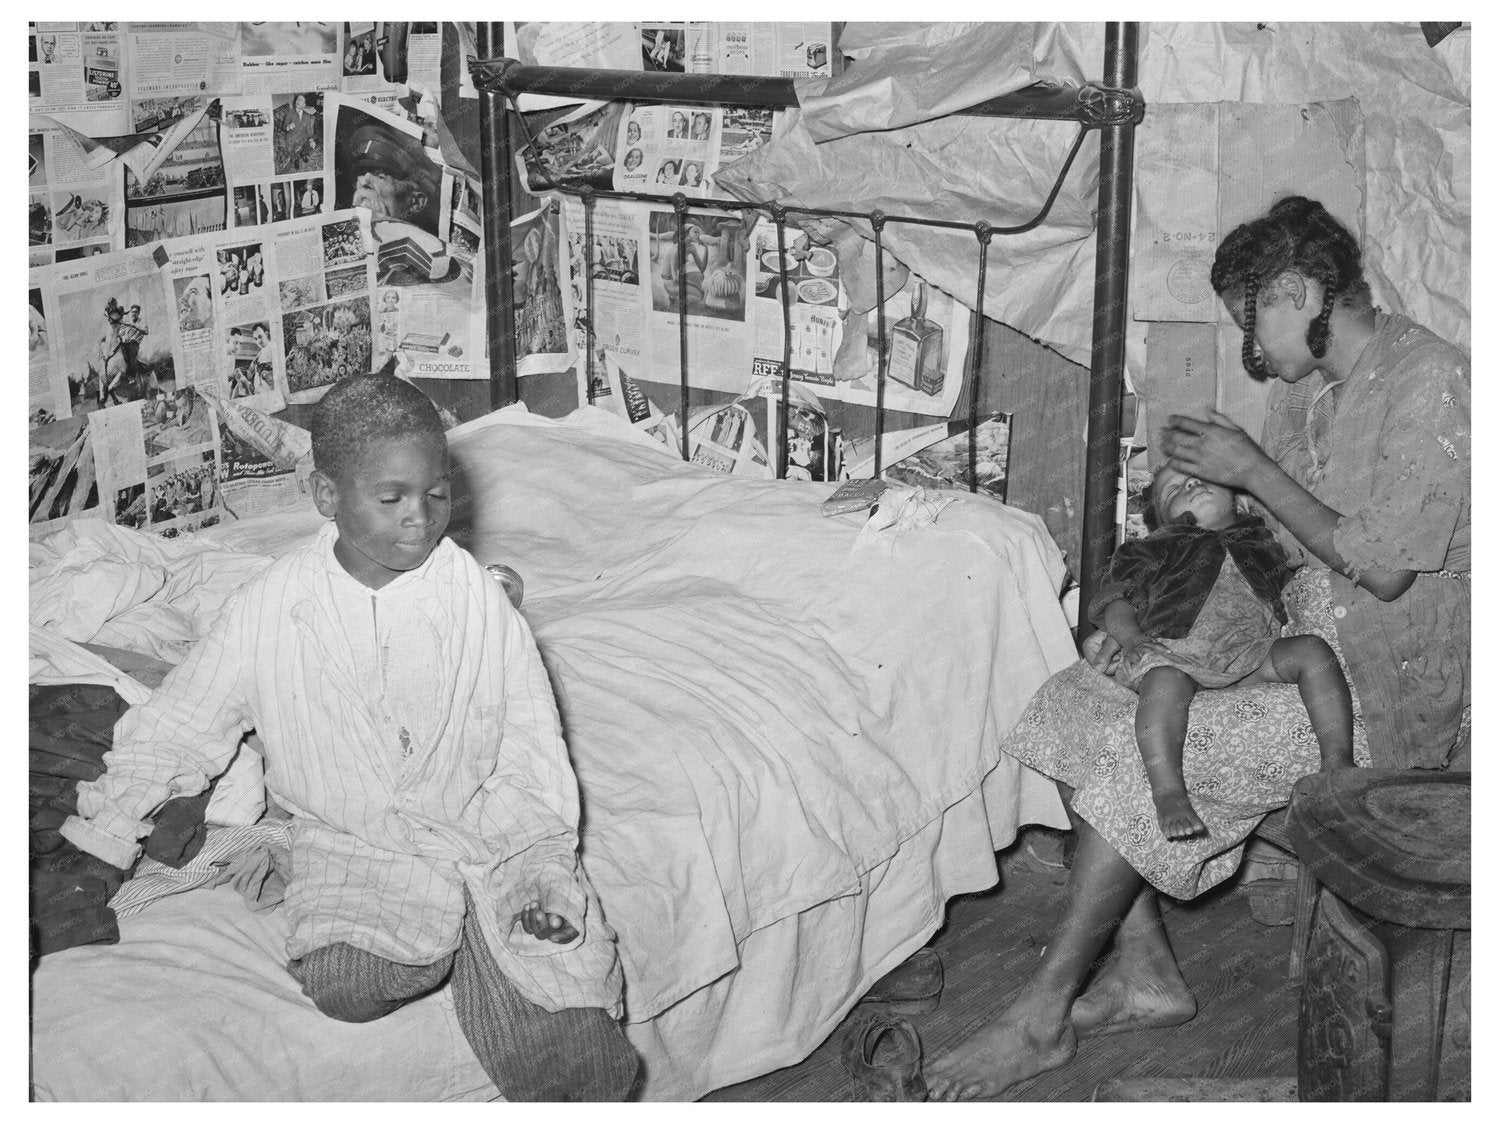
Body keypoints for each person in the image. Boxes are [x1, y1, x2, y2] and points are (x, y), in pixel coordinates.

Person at [925, 194, 1468, 1100]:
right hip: (1283, 638)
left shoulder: (1432, 379)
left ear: (1298, 292)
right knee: (1075, 701)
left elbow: (1381, 571)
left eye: (1251, 321)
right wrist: (1154, 604)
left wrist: (1251, 469)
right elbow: (1276, 543)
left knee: (1143, 760)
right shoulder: (1307, 390)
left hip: (1380, 684)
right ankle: (1145, 972)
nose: (1251, 347)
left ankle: (1041, 1016)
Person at [60, 375, 640, 1102]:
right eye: (391, 498)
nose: (420, 519)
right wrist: (107, 828)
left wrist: (539, 848)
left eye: (437, 494)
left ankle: (503, 924)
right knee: (348, 985)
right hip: (353, 833)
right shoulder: (271, 606)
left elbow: (531, 742)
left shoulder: (477, 601)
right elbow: (179, 724)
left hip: (489, 821)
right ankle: (460, 915)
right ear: (326, 496)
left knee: (569, 1029)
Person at [1088, 464, 1353, 838]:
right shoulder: (1149, 548)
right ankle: (1168, 792)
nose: (1192, 483)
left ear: (1238, 501)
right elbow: (1118, 600)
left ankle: (1338, 762)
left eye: (1201, 477)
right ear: (1160, 521)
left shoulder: (1264, 541)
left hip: (1250, 653)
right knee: (1163, 682)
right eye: (1175, 489)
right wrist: (1131, 638)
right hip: (1173, 652)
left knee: (1312, 650)